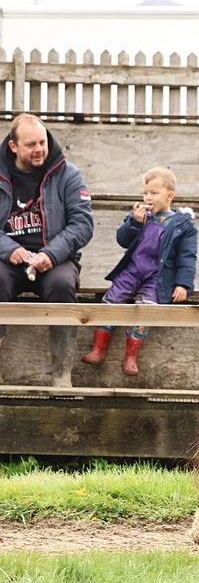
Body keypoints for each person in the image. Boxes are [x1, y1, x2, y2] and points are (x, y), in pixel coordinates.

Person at [0, 113, 94, 387]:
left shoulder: (68, 174)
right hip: (8, 260)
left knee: (63, 285)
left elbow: (83, 224)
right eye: (30, 144)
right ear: (14, 146)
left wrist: (50, 254)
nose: (39, 149)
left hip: (56, 258)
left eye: (42, 142)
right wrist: (9, 250)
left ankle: (62, 374)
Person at [81, 167, 197, 376]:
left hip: (157, 277)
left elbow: (187, 257)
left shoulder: (182, 225)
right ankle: (98, 350)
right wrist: (135, 222)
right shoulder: (139, 216)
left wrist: (183, 285)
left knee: (147, 311)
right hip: (132, 270)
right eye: (145, 193)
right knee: (111, 302)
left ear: (169, 195)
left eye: (154, 193)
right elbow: (122, 240)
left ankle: (131, 358)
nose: (147, 197)